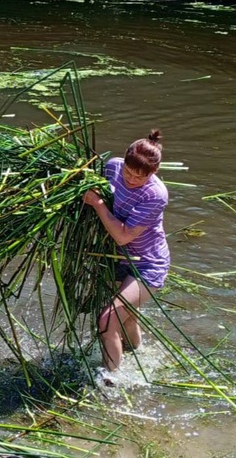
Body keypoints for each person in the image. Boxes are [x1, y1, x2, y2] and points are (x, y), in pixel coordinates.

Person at [82, 129, 169, 385]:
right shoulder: (112, 167)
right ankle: (140, 354)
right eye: (128, 173)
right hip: (115, 258)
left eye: (139, 177)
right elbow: (97, 185)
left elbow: (123, 236)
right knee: (126, 315)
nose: (131, 180)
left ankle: (111, 381)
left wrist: (97, 205)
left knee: (108, 319)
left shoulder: (155, 195)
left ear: (153, 172)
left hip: (148, 264)